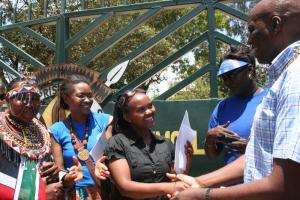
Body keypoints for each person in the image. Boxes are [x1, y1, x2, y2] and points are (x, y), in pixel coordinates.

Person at [169, 0, 300, 199]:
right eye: (224, 78)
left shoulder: (294, 81)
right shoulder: (282, 81)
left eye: (252, 30)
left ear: (275, 24)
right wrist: (199, 182)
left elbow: (287, 186)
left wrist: (202, 195)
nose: (248, 40)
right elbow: (258, 156)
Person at [102, 88, 193, 200]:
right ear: (127, 117)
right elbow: (125, 188)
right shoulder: (117, 143)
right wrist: (170, 187)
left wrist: (186, 164)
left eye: (150, 106)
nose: (149, 111)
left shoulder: (165, 143)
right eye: (141, 110)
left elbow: (174, 180)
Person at [0, 77, 82, 199]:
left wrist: (65, 178)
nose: (29, 104)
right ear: (8, 100)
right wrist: (39, 195)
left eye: (35, 99)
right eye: (21, 98)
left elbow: (42, 172)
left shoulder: (41, 129)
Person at [50, 74, 113, 200]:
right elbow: (59, 170)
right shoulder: (56, 130)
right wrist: (69, 177)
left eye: (89, 95)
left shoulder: (105, 122)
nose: (87, 100)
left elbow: (112, 157)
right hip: (74, 194)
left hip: (103, 191)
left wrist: (105, 166)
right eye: (81, 96)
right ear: (66, 98)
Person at [205, 46, 267, 164]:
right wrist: (210, 137)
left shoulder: (271, 99)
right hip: (232, 183)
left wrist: (252, 149)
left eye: (231, 76)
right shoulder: (222, 107)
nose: (227, 83)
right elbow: (212, 155)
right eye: (224, 78)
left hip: (263, 180)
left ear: (249, 70)